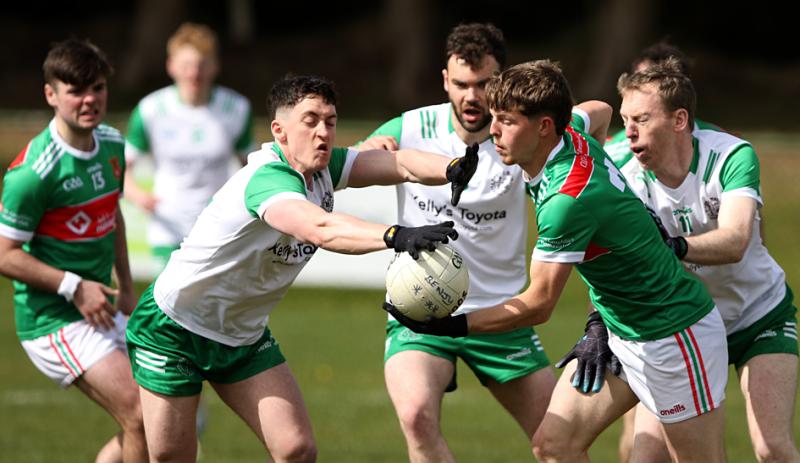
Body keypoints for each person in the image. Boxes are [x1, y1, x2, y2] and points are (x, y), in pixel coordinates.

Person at [385, 60, 730, 462]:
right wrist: (600, 319)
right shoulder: (573, 133)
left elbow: (539, 304)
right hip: (621, 333)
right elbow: (599, 109)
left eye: (507, 122)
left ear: (544, 126)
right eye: (494, 119)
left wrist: (450, 326)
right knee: (553, 445)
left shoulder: (565, 203)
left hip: (672, 335)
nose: (492, 131)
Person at [124, 74, 478, 462]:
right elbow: (320, 228)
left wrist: (452, 166)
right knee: (172, 458)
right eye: (310, 120)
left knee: (296, 449)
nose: (323, 131)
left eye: (330, 120)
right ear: (280, 131)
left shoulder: (324, 170)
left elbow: (399, 163)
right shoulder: (267, 179)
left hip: (241, 335)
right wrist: (396, 235)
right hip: (175, 328)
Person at [359, 23, 609, 462]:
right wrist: (372, 147)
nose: (471, 97)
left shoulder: (524, 129)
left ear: (502, 79)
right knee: (417, 416)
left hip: (503, 314)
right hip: (422, 306)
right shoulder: (412, 127)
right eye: (460, 85)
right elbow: (350, 163)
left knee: (559, 442)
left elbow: (602, 111)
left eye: (483, 84)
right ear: (444, 81)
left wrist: (580, 165)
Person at [612, 59, 799, 463]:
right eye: (625, 118)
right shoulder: (624, 178)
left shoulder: (731, 156)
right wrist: (598, 324)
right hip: (685, 330)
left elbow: (735, 241)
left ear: (679, 120)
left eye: (641, 119)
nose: (628, 131)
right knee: (647, 457)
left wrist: (673, 246)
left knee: (772, 449)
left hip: (757, 316)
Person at [0, 39, 146, 462]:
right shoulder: (32, 174)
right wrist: (74, 287)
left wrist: (127, 286)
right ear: (51, 95)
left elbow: (111, 215)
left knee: (167, 408)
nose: (89, 100)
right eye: (76, 91)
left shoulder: (113, 145)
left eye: (97, 88)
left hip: (102, 304)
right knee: (139, 413)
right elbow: (5, 254)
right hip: (53, 320)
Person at [124, 22, 255, 273]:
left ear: (214, 66)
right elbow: (120, 167)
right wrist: (139, 196)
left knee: (214, 307)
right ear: (171, 66)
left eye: (201, 65)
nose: (194, 73)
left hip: (219, 227)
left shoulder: (235, 108)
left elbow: (251, 166)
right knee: (172, 306)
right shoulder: (151, 109)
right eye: (186, 65)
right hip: (168, 227)